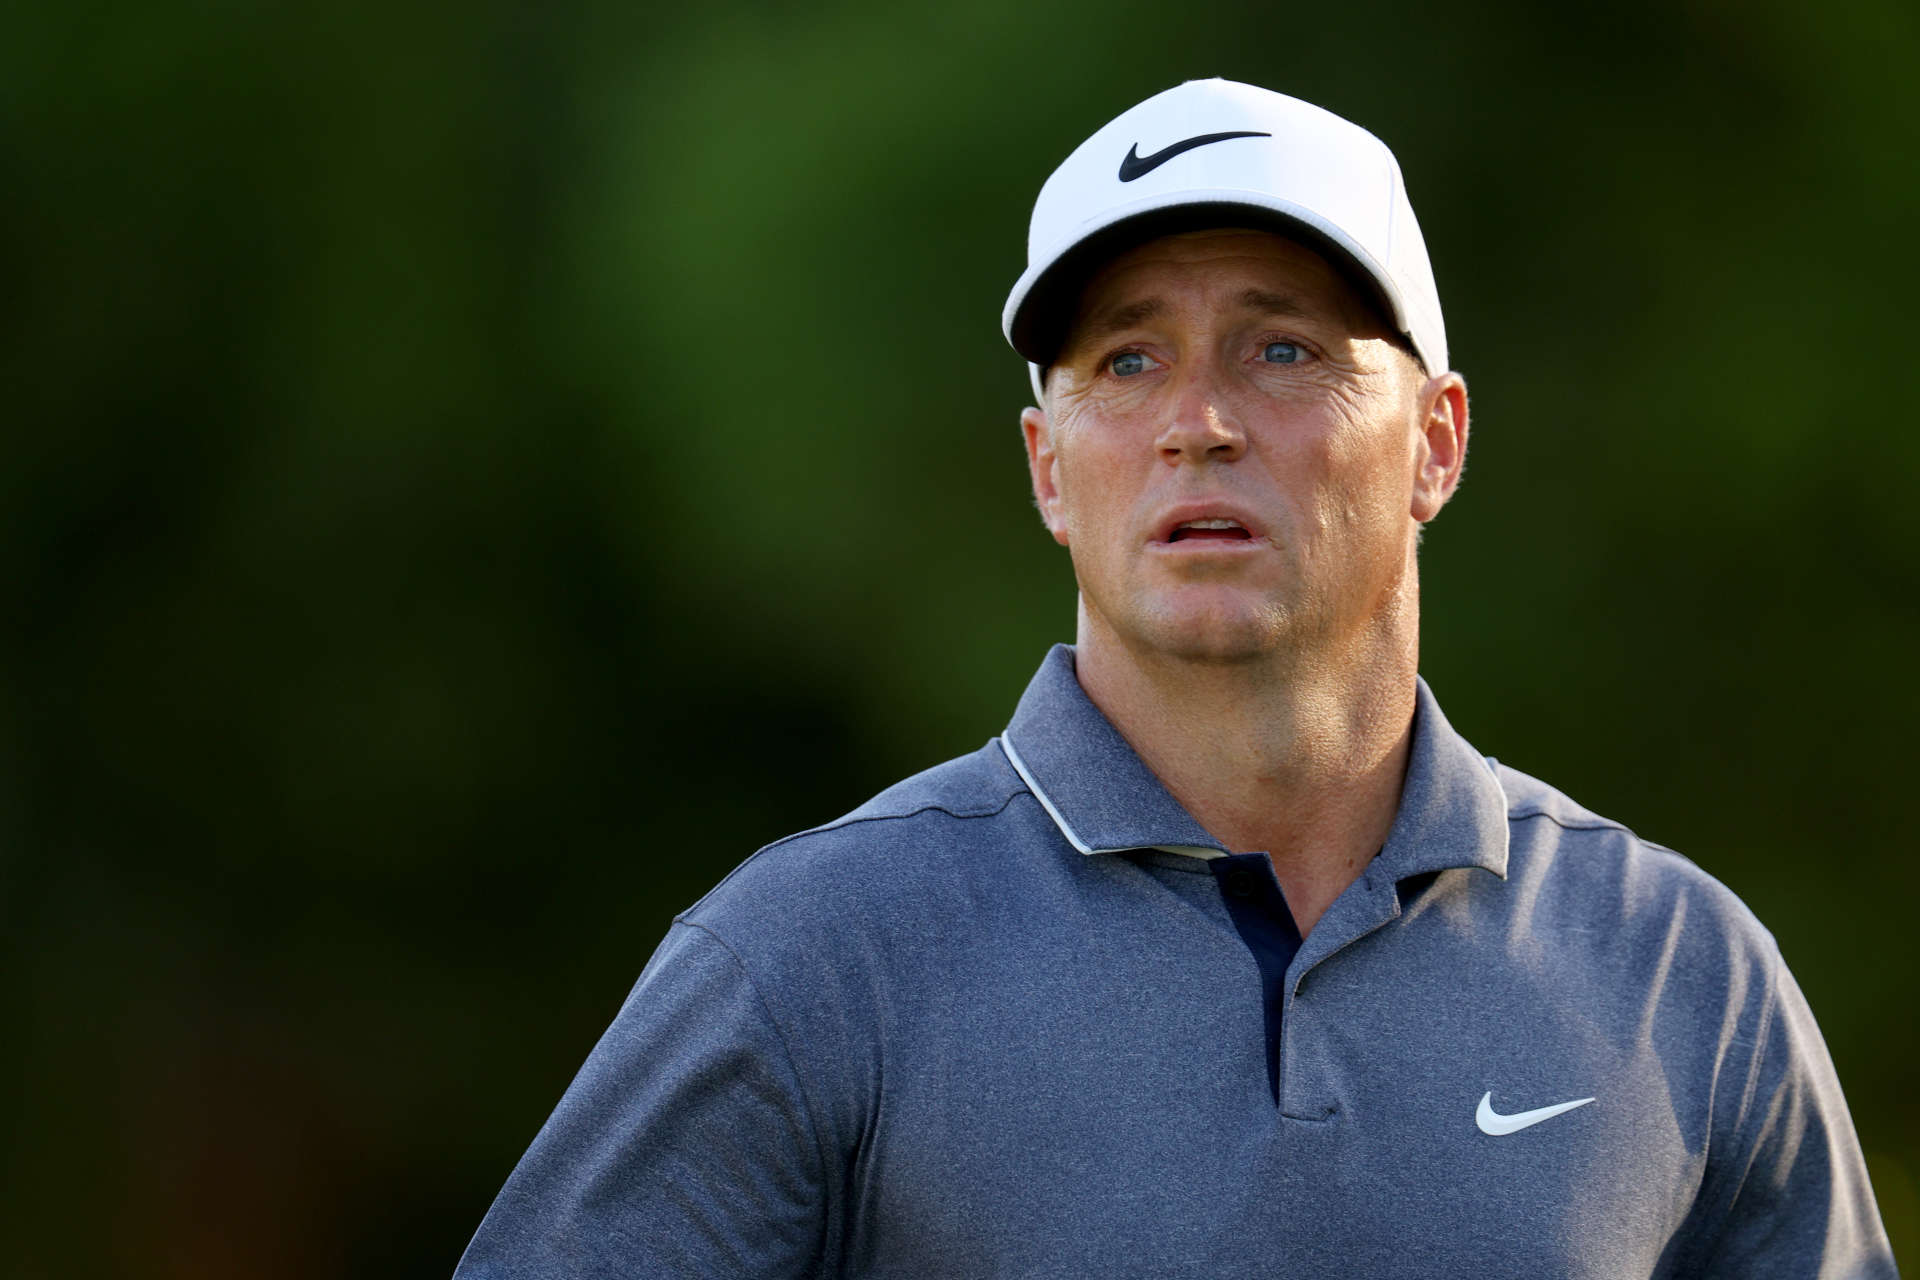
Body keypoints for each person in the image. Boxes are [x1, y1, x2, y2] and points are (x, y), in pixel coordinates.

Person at [454, 79, 1896, 1278]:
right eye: (1128, 361)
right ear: (1047, 469)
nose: (1198, 421)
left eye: (1283, 349)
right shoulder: (812, 961)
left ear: (1437, 443)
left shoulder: (1679, 973)